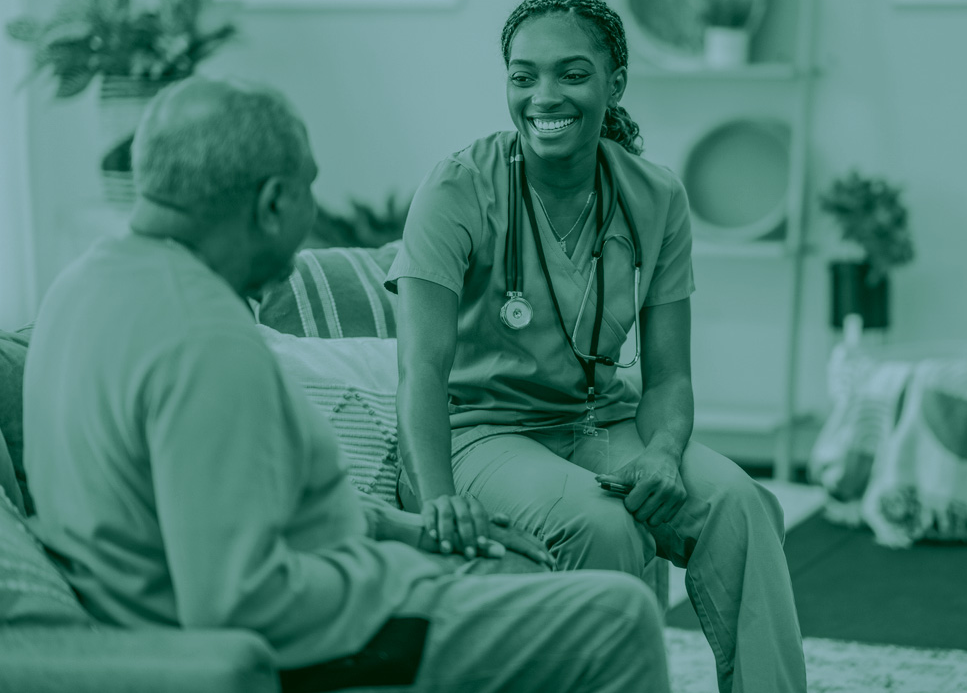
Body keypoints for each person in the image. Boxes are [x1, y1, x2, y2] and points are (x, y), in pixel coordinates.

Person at [22, 76, 671, 693]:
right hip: (318, 643)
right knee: (619, 613)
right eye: (311, 190)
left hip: (168, 602)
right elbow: (236, 601)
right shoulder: (206, 340)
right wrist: (401, 578)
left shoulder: (82, 286)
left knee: (511, 567)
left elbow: (225, 509)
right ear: (274, 202)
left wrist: (403, 531)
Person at [387, 0, 806, 693]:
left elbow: (670, 376)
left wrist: (665, 454)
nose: (543, 95)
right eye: (524, 76)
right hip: (480, 433)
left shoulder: (656, 196)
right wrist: (436, 499)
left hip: (600, 420)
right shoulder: (457, 189)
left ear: (614, 83)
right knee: (603, 524)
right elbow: (419, 370)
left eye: (571, 74)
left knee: (741, 504)